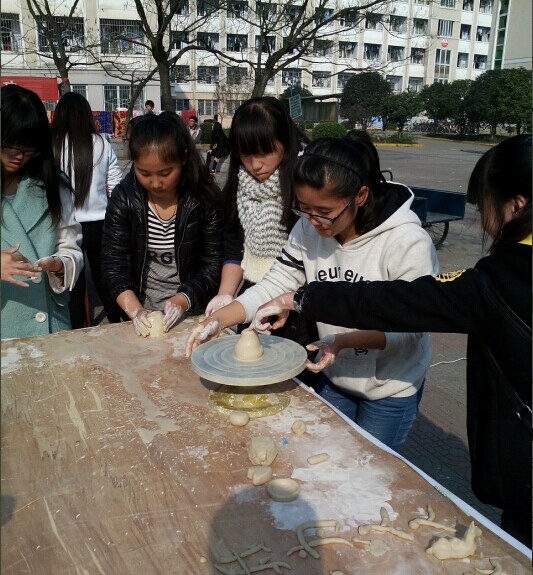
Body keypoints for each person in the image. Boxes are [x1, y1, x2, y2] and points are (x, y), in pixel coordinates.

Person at [248, 135, 532, 547]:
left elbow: (399, 306)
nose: (481, 217)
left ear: (517, 206)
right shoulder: (503, 275)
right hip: (341, 381)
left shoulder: (491, 279)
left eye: (483, 204)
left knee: (367, 478)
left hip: (398, 394)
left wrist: (304, 301)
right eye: (304, 209)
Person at [187, 132, 439, 451]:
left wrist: (344, 341)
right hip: (335, 375)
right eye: (303, 208)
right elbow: (277, 282)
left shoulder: (405, 241)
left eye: (324, 212)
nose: (314, 222)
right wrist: (220, 319)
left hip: (390, 387)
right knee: (329, 454)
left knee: (369, 463)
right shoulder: (308, 226)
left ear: (361, 195)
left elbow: (411, 328)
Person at [101, 111, 224, 336]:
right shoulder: (124, 198)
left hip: (194, 309)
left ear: (183, 158)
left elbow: (213, 263)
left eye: (165, 173)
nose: (156, 183)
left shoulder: (204, 198)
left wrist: (183, 299)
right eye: (144, 173)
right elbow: (113, 264)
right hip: (141, 307)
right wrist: (136, 310)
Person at [204, 97, 312, 345]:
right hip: (254, 294)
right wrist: (225, 294)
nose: (255, 165)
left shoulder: (306, 185)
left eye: (265, 152)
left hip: (300, 302)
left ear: (286, 142)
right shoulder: (240, 186)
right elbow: (235, 246)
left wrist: (288, 299)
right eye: (245, 154)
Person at [1, 84, 83, 339]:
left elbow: (71, 247)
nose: (20, 156)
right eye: (12, 147)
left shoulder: (53, 186)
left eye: (29, 149)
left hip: (50, 322)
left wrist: (60, 264)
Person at [51, 92, 123, 328]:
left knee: (73, 284)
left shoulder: (52, 146)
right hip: (101, 224)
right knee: (106, 280)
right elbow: (116, 184)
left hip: (66, 227)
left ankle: (77, 329)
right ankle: (118, 324)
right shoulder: (102, 143)